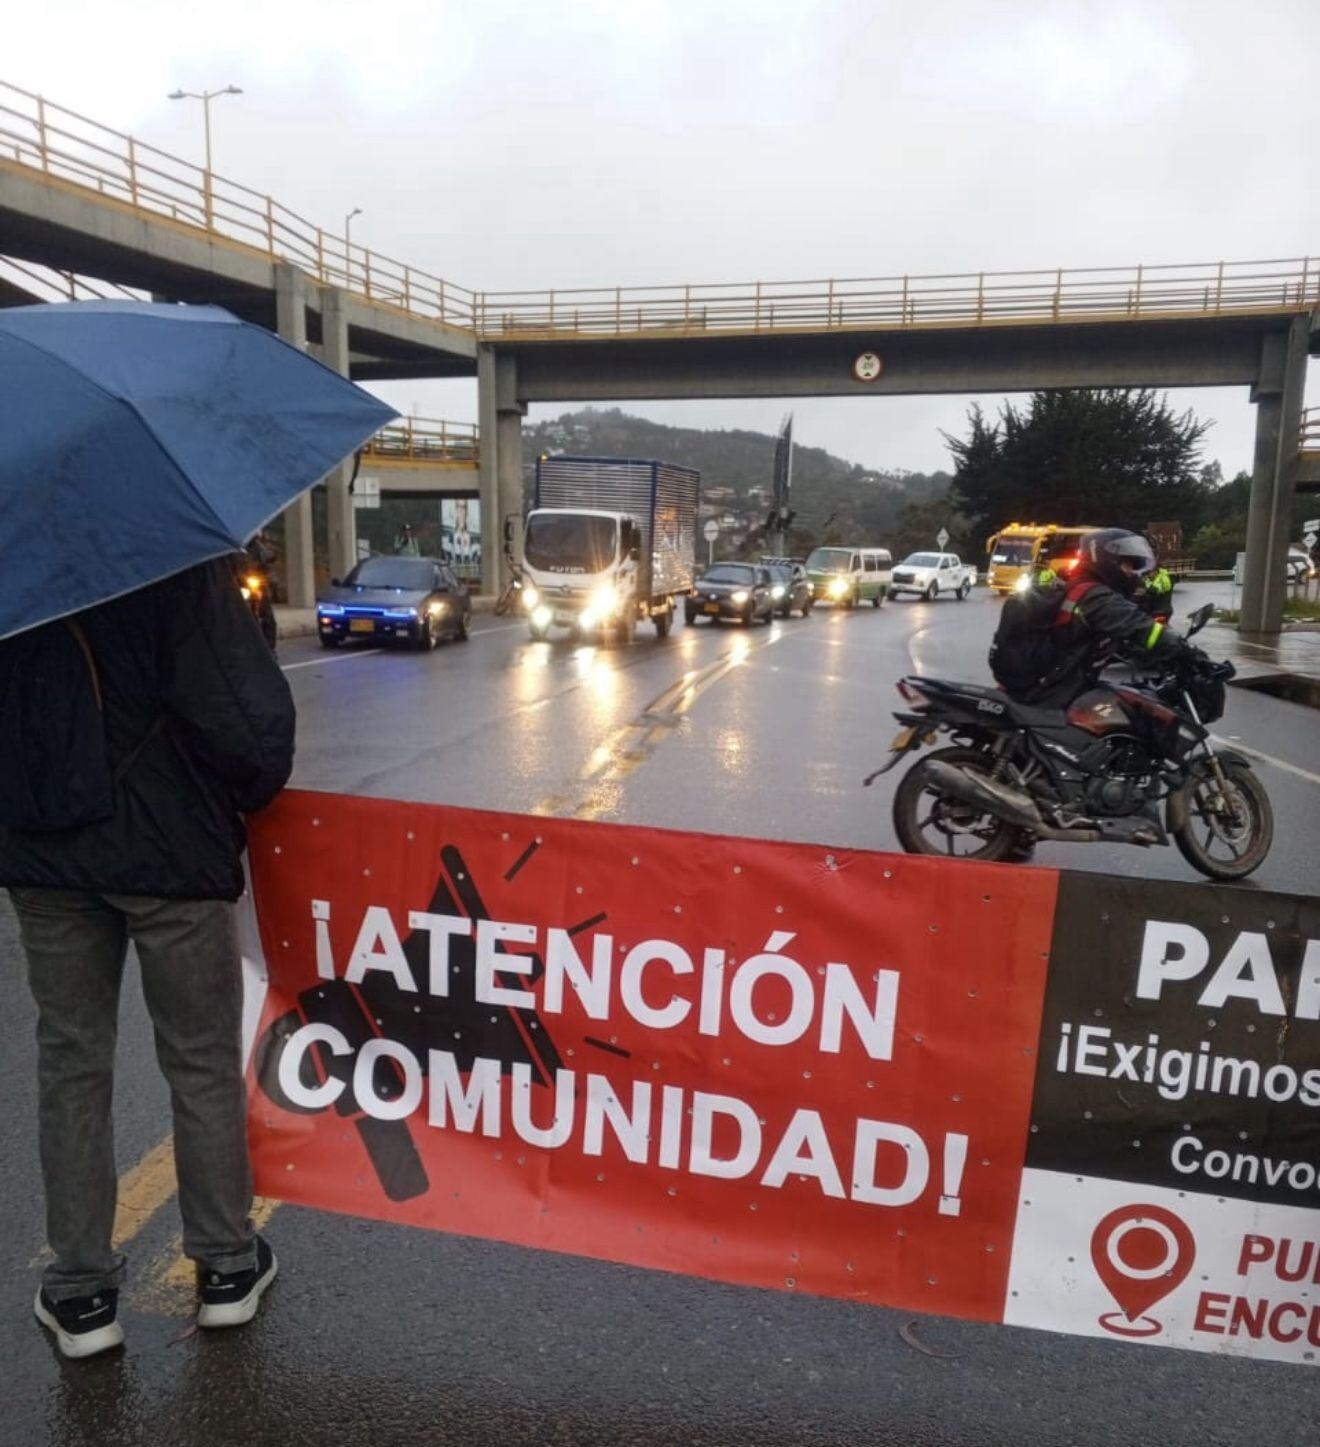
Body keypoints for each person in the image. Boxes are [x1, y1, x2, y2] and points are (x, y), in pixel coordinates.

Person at [1, 558, 295, 1359]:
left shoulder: (14, 555)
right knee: (199, 1057)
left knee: (69, 1061)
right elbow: (248, 725)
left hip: (44, 854)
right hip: (171, 854)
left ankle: (81, 1291)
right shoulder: (170, 558)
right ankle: (227, 1268)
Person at [991, 528, 1198, 708]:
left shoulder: (1078, 586)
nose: (1133, 573)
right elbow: (1140, 627)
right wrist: (1189, 653)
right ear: (1109, 562)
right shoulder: (1096, 596)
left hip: (1049, 684)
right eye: (1128, 565)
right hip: (1054, 691)